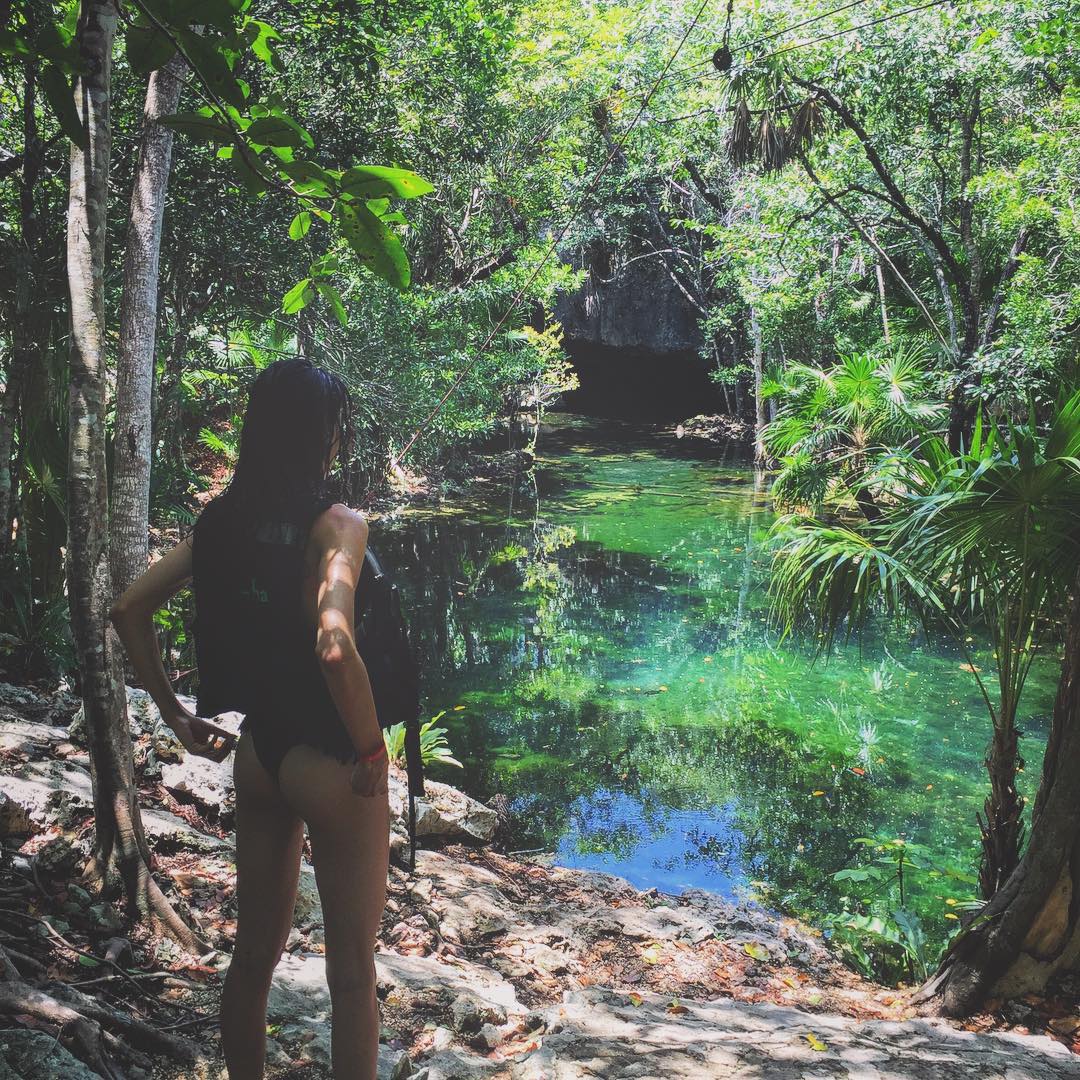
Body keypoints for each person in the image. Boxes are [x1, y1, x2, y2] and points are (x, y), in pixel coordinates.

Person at [110, 357, 390, 1080]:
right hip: (330, 761)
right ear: (323, 438)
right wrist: (373, 751)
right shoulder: (337, 526)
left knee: (252, 959)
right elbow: (335, 648)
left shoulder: (220, 524)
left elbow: (128, 608)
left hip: (261, 756)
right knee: (353, 979)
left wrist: (173, 713)